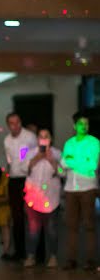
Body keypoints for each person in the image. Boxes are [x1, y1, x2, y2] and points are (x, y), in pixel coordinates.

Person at [61, 112, 100, 271]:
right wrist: (79, 161)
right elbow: (63, 164)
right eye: (81, 123)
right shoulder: (68, 143)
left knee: (89, 225)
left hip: (88, 188)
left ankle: (90, 260)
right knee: (71, 226)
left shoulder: (95, 142)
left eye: (86, 123)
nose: (84, 126)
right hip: (70, 188)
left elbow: (92, 165)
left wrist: (72, 161)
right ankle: (71, 259)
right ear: (74, 126)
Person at [23, 129, 62, 268]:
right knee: (32, 230)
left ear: (50, 139)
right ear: (38, 139)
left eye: (46, 136)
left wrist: (52, 160)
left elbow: (63, 173)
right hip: (33, 199)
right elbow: (22, 168)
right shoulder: (29, 152)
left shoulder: (57, 153)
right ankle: (31, 256)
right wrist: (37, 157)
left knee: (52, 229)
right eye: (41, 136)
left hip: (51, 199)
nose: (43, 139)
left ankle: (53, 257)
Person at [4, 113, 37, 260]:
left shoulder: (29, 137)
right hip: (14, 180)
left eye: (17, 122)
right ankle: (19, 252)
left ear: (20, 122)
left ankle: (37, 253)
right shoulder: (7, 140)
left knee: (33, 216)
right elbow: (10, 161)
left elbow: (36, 158)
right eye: (11, 123)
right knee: (16, 217)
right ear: (8, 125)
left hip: (29, 179)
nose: (15, 125)